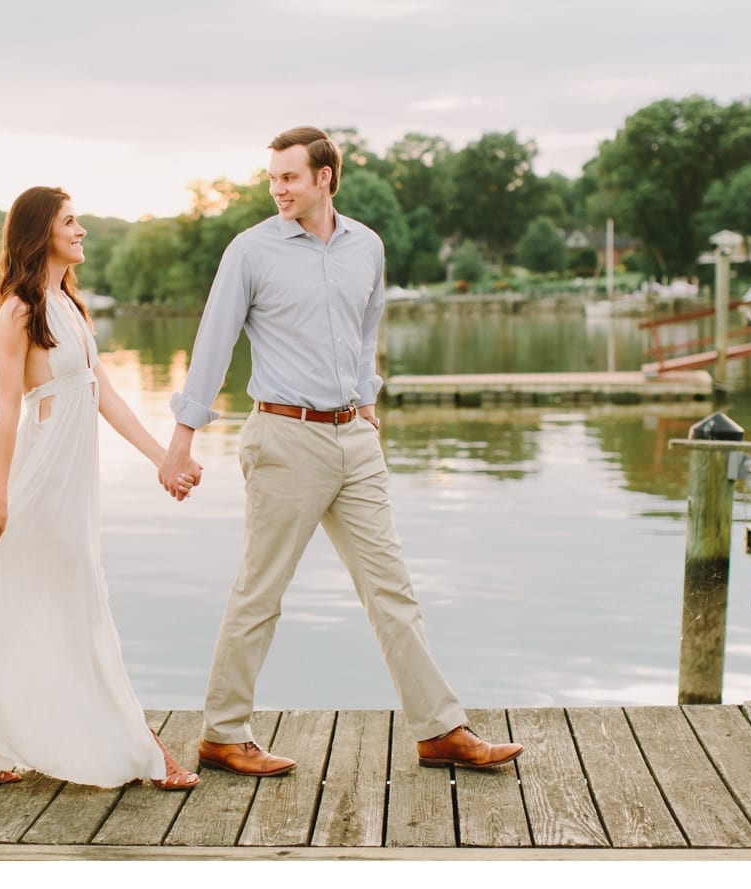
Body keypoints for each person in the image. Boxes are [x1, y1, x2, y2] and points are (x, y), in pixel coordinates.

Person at [157, 127, 524, 778]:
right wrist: (181, 440)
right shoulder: (251, 251)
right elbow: (212, 342)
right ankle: (222, 732)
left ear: (325, 177)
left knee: (393, 590)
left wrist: (366, 399)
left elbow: (365, 332)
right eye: (272, 178)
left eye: (290, 177)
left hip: (355, 437)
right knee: (260, 592)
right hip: (285, 437)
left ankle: (439, 728)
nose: (278, 189)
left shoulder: (367, 248)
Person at [0, 186, 198, 791]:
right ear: (41, 233)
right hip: (42, 474)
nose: (82, 231)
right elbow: (6, 410)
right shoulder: (19, 311)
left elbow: (104, 395)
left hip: (77, 478)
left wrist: (164, 458)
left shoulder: (70, 306)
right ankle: (141, 748)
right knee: (62, 597)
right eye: (71, 222)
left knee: (47, 599)